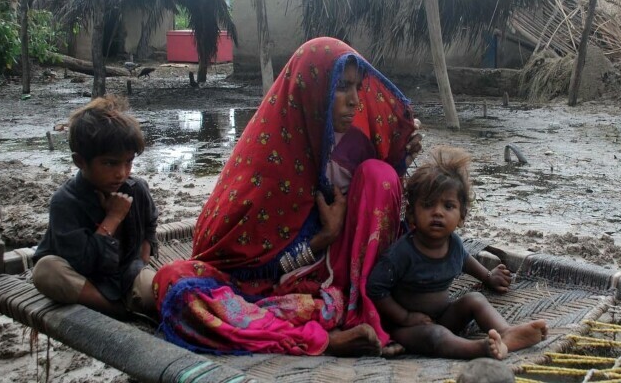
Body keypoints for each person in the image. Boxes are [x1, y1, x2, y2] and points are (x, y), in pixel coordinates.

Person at [152, 37, 421, 356]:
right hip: (267, 290)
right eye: (342, 87)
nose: (355, 102)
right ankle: (322, 339)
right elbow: (229, 259)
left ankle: (363, 307)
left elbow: (380, 212)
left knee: (382, 176)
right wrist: (324, 237)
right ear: (312, 91)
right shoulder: (268, 160)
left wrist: (401, 153)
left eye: (358, 88)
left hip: (338, 284)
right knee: (176, 286)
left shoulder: (356, 146)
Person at [367, 146, 548, 360]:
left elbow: (465, 260)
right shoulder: (403, 252)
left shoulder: (453, 243)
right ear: (412, 215)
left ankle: (507, 333)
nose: (437, 212)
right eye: (428, 205)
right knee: (437, 335)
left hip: (445, 316)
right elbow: (375, 288)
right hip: (406, 329)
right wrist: (406, 317)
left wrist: (488, 277)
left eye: (448, 206)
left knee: (475, 299)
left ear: (461, 216)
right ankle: (480, 349)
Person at [32, 95, 158, 319]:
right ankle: (116, 310)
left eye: (128, 162)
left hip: (127, 273)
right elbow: (83, 264)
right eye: (109, 163)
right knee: (46, 271)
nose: (121, 172)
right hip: (83, 278)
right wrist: (113, 217)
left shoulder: (136, 189)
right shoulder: (66, 201)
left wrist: (143, 259)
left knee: (153, 293)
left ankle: (126, 302)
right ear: (80, 161)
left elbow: (150, 223)